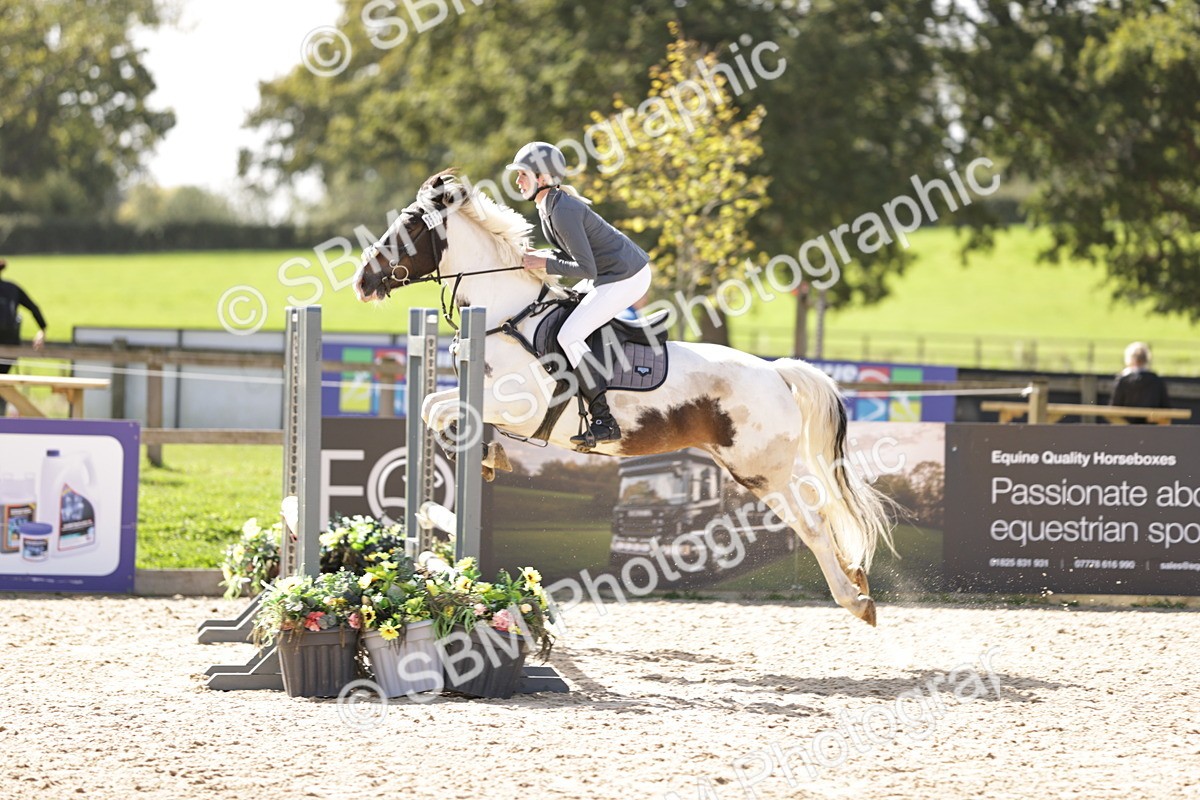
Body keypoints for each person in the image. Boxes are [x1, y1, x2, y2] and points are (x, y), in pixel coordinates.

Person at [506, 141, 651, 446]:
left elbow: (585, 268)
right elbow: (571, 255)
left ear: (542, 178)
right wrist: (544, 255)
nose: (517, 181)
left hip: (626, 276)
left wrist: (544, 261)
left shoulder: (562, 209)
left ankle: (603, 419)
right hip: (610, 273)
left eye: (522, 174)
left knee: (569, 335)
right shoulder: (549, 205)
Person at [0, 258, 48, 416]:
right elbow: (33, 308)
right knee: (3, 384)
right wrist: (42, 330)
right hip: (11, 346)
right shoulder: (12, 288)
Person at [1110, 341, 1170, 423]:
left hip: (1126, 430)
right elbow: (1166, 408)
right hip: (1151, 430)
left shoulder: (1123, 380)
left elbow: (1114, 409)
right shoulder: (1156, 380)